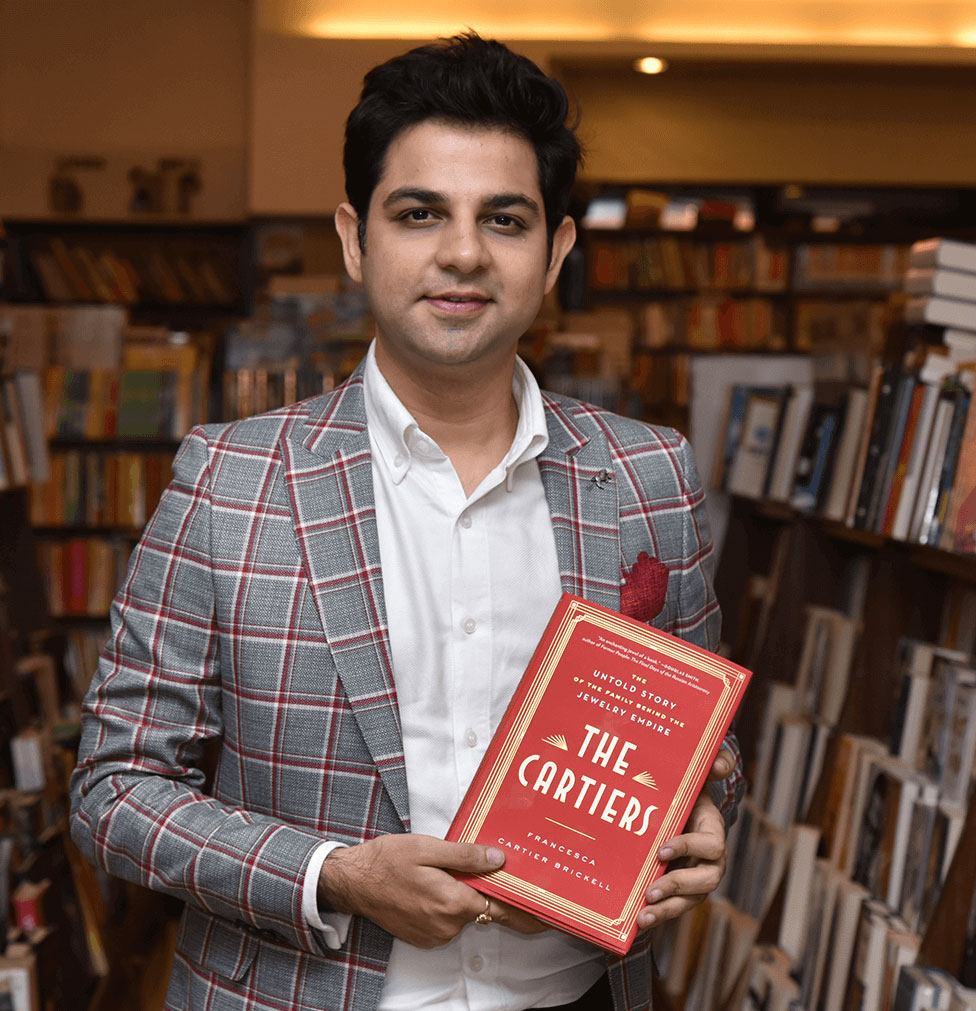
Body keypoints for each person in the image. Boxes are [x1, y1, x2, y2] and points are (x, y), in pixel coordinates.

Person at [70, 32, 744, 1011]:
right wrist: (333, 874)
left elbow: (704, 742)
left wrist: (707, 811)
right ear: (356, 239)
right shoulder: (232, 479)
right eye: (420, 213)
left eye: (504, 219)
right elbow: (115, 789)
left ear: (556, 251)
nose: (462, 252)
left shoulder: (649, 475)